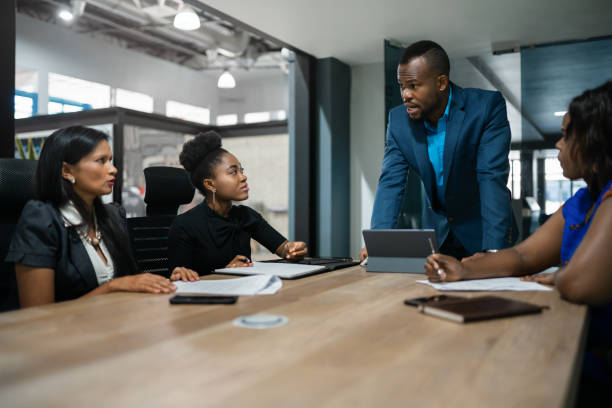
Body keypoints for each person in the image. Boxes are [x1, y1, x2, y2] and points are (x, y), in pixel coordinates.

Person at [425, 82, 612, 397]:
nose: (558, 144)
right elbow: (524, 256)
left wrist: (557, 278)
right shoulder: (581, 201)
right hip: (576, 342)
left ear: (596, 143)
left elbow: (581, 284)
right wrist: (464, 270)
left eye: (567, 136)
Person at [5, 126, 198, 308]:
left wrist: (166, 281)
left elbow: (132, 280)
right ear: (67, 171)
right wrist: (113, 287)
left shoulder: (111, 216)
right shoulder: (41, 219)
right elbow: (38, 312)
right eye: (101, 161)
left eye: (111, 160)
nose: (112, 169)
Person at [360, 40, 516, 261]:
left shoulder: (485, 108)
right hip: (437, 237)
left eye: (413, 85)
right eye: (402, 86)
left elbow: (491, 178)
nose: (405, 94)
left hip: (483, 232)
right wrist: (378, 242)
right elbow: (390, 182)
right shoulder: (398, 121)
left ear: (441, 83)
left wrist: (493, 252)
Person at [168, 131, 307, 274]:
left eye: (241, 170)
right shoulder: (185, 225)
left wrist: (292, 249)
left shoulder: (246, 216)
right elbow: (180, 278)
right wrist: (224, 272)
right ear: (210, 184)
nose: (243, 177)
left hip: (249, 292)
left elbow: (283, 247)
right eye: (233, 172)